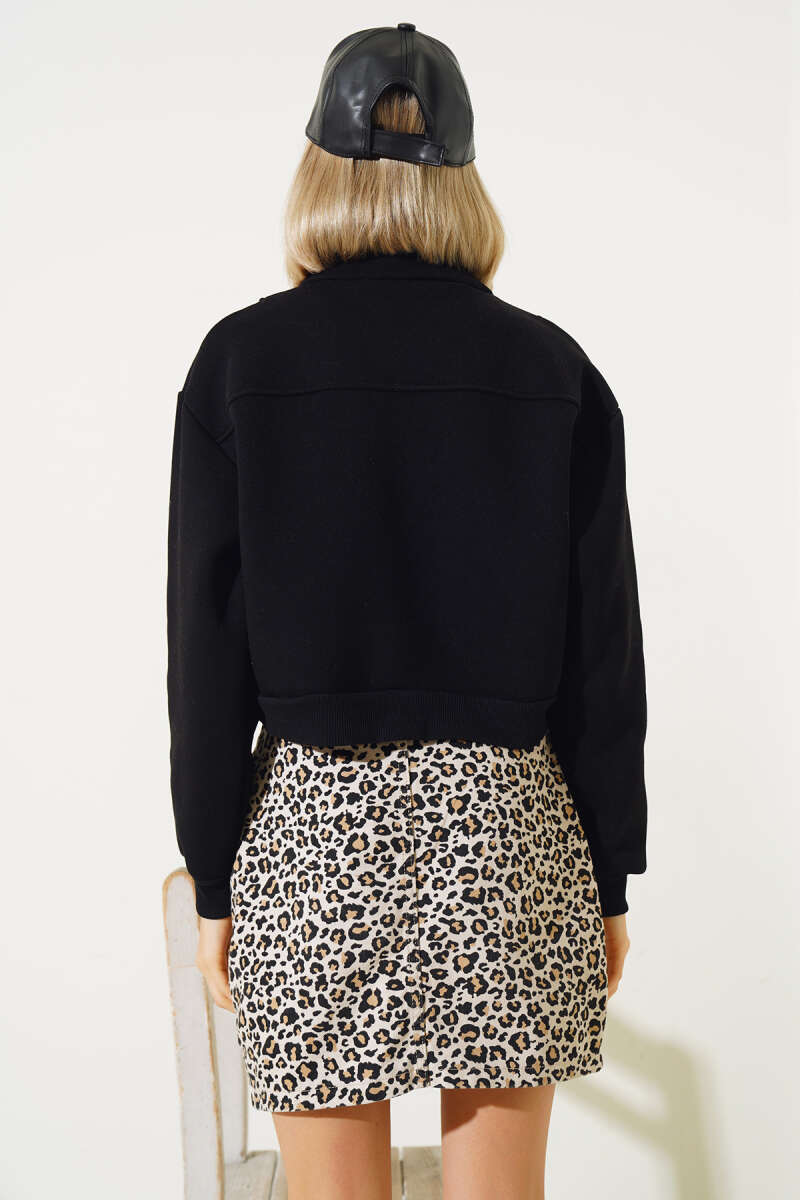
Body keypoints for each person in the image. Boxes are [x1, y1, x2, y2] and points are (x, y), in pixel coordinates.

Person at [166, 23, 648, 1200]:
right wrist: (608, 874)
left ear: (317, 171)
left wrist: (215, 873)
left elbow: (204, 654)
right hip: (506, 837)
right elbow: (603, 656)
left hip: (313, 840)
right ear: (463, 179)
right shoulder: (552, 370)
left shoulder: (240, 363)